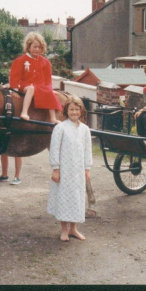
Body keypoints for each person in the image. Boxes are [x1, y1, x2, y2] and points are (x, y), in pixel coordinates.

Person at [47, 96, 92, 242]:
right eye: (71, 109)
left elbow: (87, 150)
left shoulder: (85, 129)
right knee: (64, 198)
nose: (74, 112)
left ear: (81, 111)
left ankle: (73, 228)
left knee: (76, 198)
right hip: (64, 170)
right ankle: (64, 230)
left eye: (77, 109)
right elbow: (54, 149)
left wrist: (87, 168)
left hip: (78, 171)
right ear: (66, 110)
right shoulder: (60, 128)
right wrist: (56, 169)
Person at [9, 32, 62, 123]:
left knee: (50, 93)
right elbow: (14, 76)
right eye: (35, 47)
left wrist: (49, 89)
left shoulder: (45, 62)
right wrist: (14, 90)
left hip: (40, 86)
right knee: (31, 89)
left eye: (40, 47)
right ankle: (24, 112)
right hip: (25, 85)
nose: (37, 49)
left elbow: (48, 80)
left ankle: (53, 118)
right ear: (28, 47)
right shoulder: (21, 60)